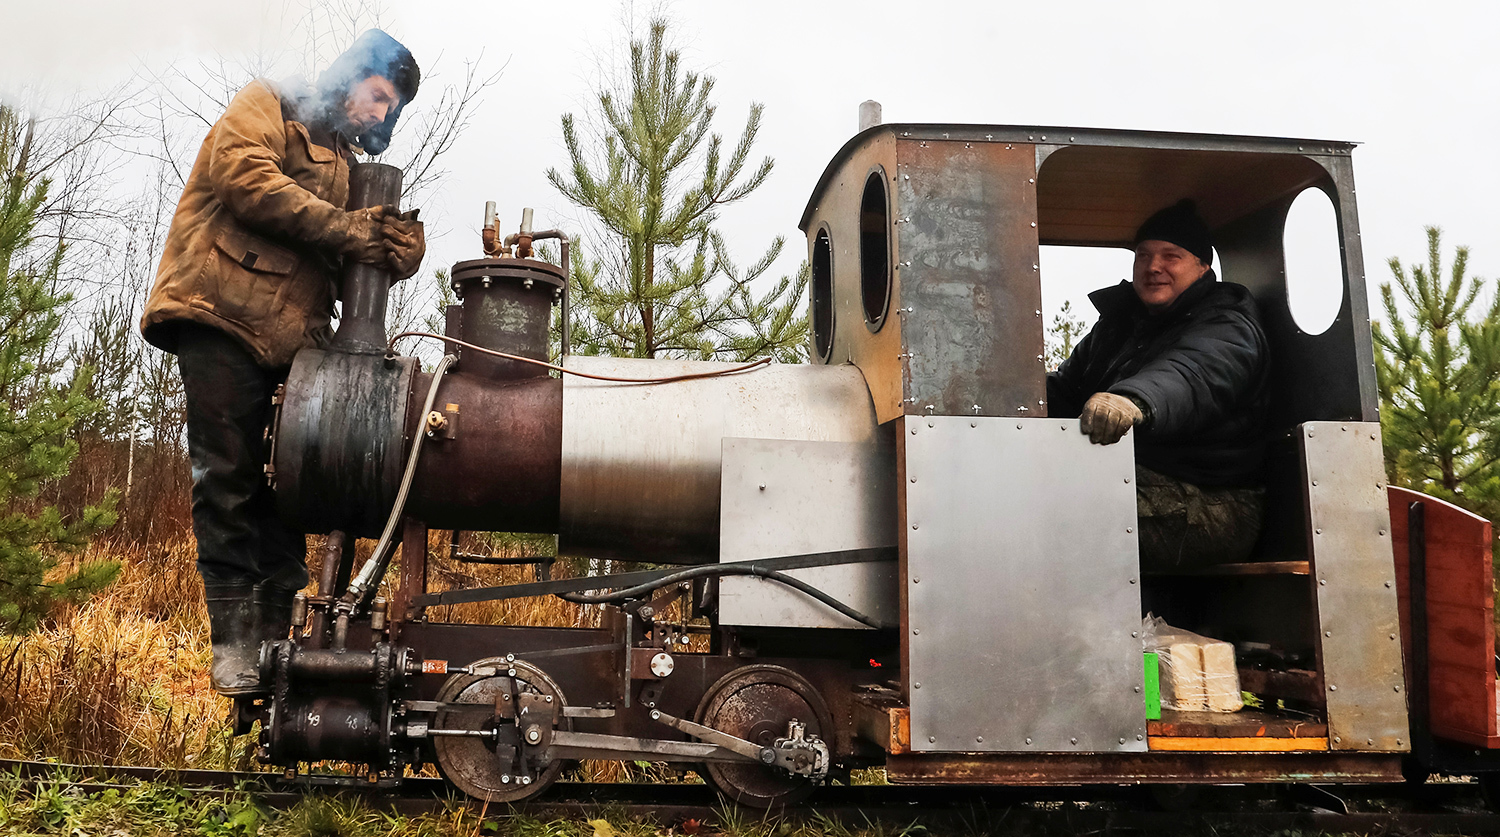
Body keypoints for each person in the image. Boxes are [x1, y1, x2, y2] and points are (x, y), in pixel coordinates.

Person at [140, 30, 426, 695]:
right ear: (352, 76)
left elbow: (364, 244)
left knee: (287, 493)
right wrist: (349, 226)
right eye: (379, 95)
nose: (382, 114)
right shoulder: (269, 103)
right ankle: (235, 642)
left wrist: (398, 243)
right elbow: (244, 179)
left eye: (392, 107)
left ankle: (274, 647)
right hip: (220, 310)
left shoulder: (348, 163)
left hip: (293, 343)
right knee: (229, 477)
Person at [1046, 199, 1270, 572]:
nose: (1153, 267)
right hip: (1135, 477)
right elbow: (1066, 389)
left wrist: (1132, 401)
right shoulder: (1119, 326)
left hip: (1212, 502)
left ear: (1202, 266)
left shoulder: (1229, 325)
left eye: (1171, 256)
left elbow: (1190, 374)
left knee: (1057, 507)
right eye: (1143, 256)